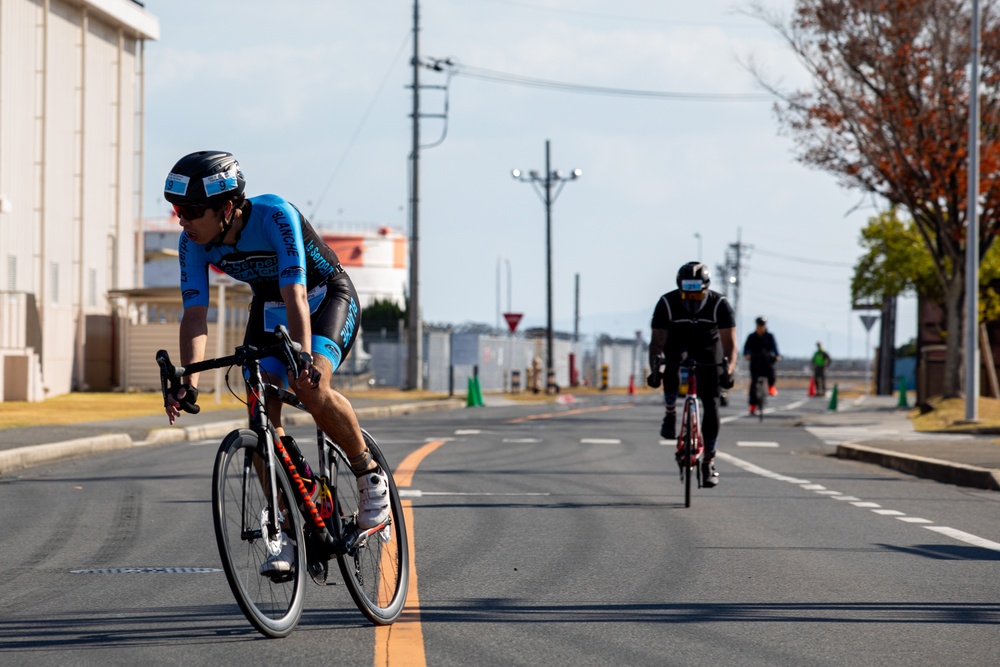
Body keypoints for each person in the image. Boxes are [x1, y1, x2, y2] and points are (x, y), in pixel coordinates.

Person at [161, 150, 389, 578]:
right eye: (177, 210)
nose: (182, 220)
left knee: (311, 387)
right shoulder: (191, 242)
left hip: (323, 298)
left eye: (191, 211)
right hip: (269, 307)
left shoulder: (274, 215)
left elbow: (297, 296)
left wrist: (303, 356)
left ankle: (368, 474)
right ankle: (286, 525)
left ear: (227, 207)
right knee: (259, 414)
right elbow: (195, 315)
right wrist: (187, 377)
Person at [647, 261, 737, 487]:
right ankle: (670, 413)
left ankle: (709, 461)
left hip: (709, 346)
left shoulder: (720, 305)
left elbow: (730, 346)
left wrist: (728, 371)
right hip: (678, 342)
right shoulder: (667, 303)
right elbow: (657, 344)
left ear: (706, 290)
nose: (692, 301)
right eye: (687, 296)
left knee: (712, 401)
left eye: (697, 297)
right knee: (671, 364)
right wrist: (655, 370)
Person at [743, 316, 781, 415]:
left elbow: (774, 347)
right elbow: (746, 347)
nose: (760, 327)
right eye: (759, 325)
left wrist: (777, 355)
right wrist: (746, 354)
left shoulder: (769, 336)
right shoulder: (752, 336)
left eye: (762, 325)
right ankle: (752, 405)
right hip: (755, 361)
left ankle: (771, 386)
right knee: (753, 384)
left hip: (767, 361)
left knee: (772, 372)